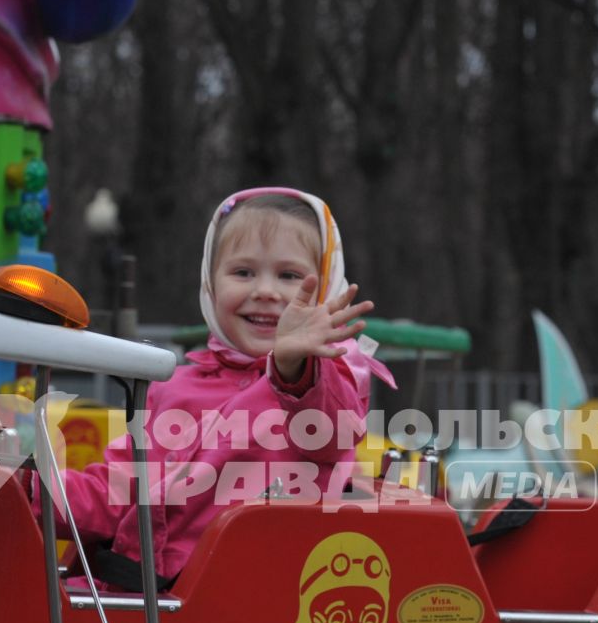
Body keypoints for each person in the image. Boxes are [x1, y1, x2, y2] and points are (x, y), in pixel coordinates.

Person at [33, 187, 391, 589]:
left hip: (258, 610)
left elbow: (330, 433)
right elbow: (117, 491)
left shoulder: (328, 375)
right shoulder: (173, 385)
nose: (266, 291)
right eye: (243, 272)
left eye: (290, 276)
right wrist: (24, 486)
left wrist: (293, 367)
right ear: (210, 282)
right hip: (149, 600)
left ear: (326, 290)